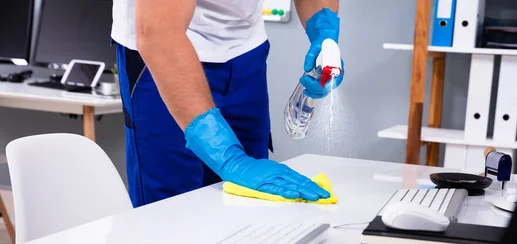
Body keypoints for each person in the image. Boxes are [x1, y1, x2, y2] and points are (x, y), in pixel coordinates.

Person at [111, 0, 345, 207]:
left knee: (249, 204)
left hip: (245, 49)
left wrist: (324, 31)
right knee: (172, 212)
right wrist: (229, 158)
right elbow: (158, 33)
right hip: (165, 49)